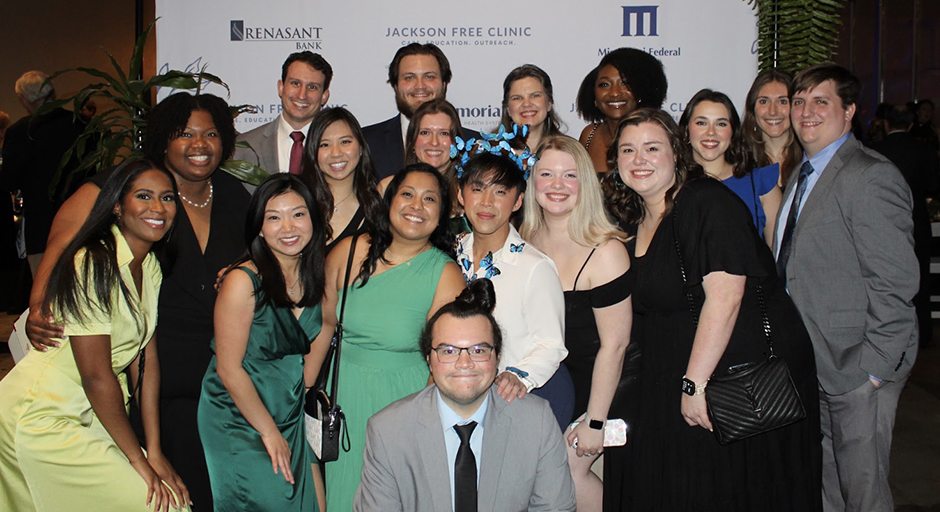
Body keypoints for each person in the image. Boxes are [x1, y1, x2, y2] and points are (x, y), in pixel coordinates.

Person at [26, 92, 251, 511]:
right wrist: (39, 303)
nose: (200, 144)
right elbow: (64, 241)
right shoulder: (133, 187)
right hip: (146, 386)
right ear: (163, 140)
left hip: (215, 380)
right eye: (185, 133)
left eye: (212, 134)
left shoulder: (235, 194)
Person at [604, 108, 821, 510]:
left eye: (652, 148)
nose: (639, 159)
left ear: (677, 153)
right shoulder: (633, 216)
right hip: (677, 371)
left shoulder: (704, 203)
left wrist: (694, 385)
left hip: (727, 377)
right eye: (628, 150)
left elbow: (726, 297)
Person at [0, 159, 190, 512]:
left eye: (167, 198)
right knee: (158, 505)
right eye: (144, 196)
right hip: (42, 414)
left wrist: (155, 450)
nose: (157, 208)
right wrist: (139, 461)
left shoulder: (149, 265)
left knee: (173, 500)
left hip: (91, 411)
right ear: (117, 206)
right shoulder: (93, 263)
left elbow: (146, 362)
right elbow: (96, 376)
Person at [777, 65, 918, 512]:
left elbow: (895, 282)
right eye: (799, 101)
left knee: (864, 493)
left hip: (858, 368)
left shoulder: (869, 175)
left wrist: (873, 369)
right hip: (813, 363)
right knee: (830, 488)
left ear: (850, 110)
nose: (807, 112)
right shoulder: (802, 173)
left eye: (822, 101)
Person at [307, 163, 465, 511]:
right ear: (389, 201)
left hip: (406, 402)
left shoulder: (446, 274)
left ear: (441, 215)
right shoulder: (349, 252)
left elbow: (444, 360)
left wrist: (418, 424)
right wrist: (303, 391)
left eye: (429, 199)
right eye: (407, 194)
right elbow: (324, 325)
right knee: (342, 495)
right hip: (344, 399)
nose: (416, 206)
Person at [354, 278, 576, 512]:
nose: (464, 363)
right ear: (429, 360)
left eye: (478, 350)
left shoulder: (536, 422)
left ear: (498, 357)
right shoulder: (389, 431)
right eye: (448, 351)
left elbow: (555, 508)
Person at [520, 135, 635, 512]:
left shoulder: (606, 250)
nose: (557, 185)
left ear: (584, 183)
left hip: (603, 390)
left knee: (569, 472)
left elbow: (615, 346)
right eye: (547, 174)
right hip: (549, 391)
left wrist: (596, 422)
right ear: (531, 181)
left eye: (569, 175)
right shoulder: (522, 241)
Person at [198, 174, 325, 511]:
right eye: (274, 217)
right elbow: (228, 368)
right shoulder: (242, 281)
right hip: (239, 415)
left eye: (298, 214)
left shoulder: (317, 279)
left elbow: (312, 357)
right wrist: (269, 432)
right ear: (258, 227)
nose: (288, 227)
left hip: (290, 413)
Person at [453, 142, 573, 428]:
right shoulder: (450, 254)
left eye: (500, 192)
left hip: (516, 402)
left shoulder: (535, 267)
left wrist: (518, 375)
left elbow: (551, 344)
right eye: (478, 189)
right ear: (460, 194)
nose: (487, 202)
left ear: (518, 201)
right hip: (461, 399)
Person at [0, 70, 85, 275]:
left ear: (23, 100)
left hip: (41, 225)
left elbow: (7, 181)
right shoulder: (82, 124)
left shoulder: (20, 131)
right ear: (53, 93)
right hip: (81, 219)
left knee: (44, 284)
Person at [870, 104, 940, 348]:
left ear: (886, 124)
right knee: (921, 277)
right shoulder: (924, 150)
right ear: (910, 125)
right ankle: (922, 333)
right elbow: (933, 184)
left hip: (878, 224)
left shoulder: (873, 151)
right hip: (916, 222)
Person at [679, 89, 782, 245]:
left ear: (733, 133)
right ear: (686, 130)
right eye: (701, 123)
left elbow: (779, 256)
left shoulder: (761, 184)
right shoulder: (672, 185)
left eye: (721, 124)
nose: (711, 132)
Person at [363, 43, 479, 180]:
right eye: (409, 78)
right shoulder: (365, 142)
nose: (420, 86)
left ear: (444, 83)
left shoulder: (477, 147)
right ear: (395, 85)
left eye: (429, 77)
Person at [232, 52, 333, 181]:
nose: (302, 95)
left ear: (324, 96)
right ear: (281, 87)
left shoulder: (340, 151)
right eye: (295, 83)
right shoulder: (244, 147)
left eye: (312, 87)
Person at [301, 107, 384, 253]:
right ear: (313, 151)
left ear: (360, 147)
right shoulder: (299, 202)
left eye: (345, 142)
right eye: (324, 145)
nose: (336, 153)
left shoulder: (378, 207)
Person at [576, 48, 667, 173]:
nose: (614, 93)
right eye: (604, 84)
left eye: (625, 83)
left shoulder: (659, 135)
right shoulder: (590, 135)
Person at [741, 69, 802, 186]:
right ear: (752, 108)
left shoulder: (810, 159)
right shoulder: (738, 159)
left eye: (783, 101)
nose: (772, 111)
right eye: (764, 101)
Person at [499, 64, 564, 152]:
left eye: (535, 95)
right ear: (508, 109)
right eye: (517, 98)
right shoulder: (491, 154)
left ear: (549, 103)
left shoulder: (568, 152)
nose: (526, 104)